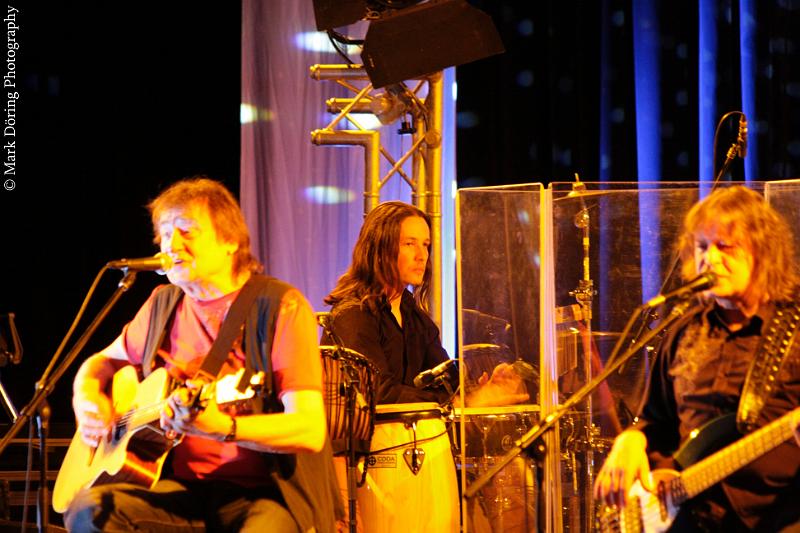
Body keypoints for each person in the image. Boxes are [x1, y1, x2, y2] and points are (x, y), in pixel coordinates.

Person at [64, 177, 342, 532]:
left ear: (230, 241)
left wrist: (223, 428)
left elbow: (309, 429)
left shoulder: (280, 306)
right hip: (182, 489)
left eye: (186, 231)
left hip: (266, 494)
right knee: (90, 510)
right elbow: (101, 363)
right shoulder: (162, 304)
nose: (171, 244)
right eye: (165, 234)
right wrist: (86, 399)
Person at [594, 186, 800, 531]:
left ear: (763, 252)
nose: (711, 259)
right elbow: (655, 420)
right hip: (689, 518)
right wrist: (631, 440)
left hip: (778, 520)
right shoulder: (683, 331)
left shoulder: (794, 329)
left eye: (725, 247)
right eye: (702, 247)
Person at [323, 200, 528, 407]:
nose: (421, 256)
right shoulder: (353, 314)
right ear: (380, 249)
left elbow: (448, 387)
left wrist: (483, 392)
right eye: (409, 244)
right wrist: (464, 402)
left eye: (425, 245)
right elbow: (378, 393)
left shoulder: (415, 317)